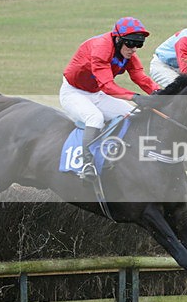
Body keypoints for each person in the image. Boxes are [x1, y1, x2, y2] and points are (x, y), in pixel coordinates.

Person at [60, 16, 161, 181]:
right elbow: (107, 85)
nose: (134, 48)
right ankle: (87, 164)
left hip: (96, 94)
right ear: (118, 39)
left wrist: (160, 93)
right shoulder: (101, 48)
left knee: (132, 114)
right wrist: (135, 97)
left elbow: (140, 77)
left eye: (139, 44)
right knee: (95, 118)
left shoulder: (128, 53)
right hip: (73, 93)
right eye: (130, 43)